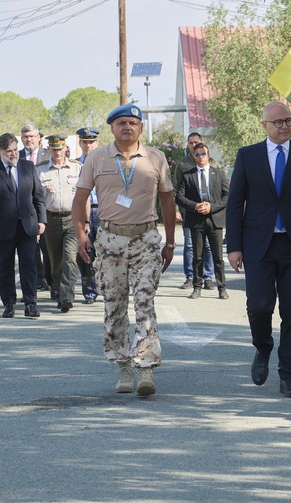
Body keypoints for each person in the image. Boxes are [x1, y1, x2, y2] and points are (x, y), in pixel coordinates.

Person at [72, 103, 177, 397]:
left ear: (140, 127)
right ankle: (122, 366)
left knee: (145, 303)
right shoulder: (96, 158)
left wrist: (169, 242)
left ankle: (145, 367)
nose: (127, 127)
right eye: (121, 123)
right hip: (109, 241)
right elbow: (79, 199)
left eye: (132, 123)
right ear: (112, 128)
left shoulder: (156, 157)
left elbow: (168, 202)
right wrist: (81, 234)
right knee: (114, 306)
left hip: (145, 239)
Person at [226, 102, 291, 398]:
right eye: (278, 122)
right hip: (258, 244)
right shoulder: (248, 156)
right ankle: (262, 346)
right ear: (265, 126)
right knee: (259, 306)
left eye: (288, 121)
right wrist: (234, 247)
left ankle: (288, 375)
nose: (284, 126)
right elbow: (235, 204)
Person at [0, 133, 46, 318]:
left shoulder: (27, 166)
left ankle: (31, 304)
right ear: (0, 152)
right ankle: (9, 303)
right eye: (8, 151)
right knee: (5, 266)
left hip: (28, 226)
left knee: (29, 265)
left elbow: (38, 196)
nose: (13, 154)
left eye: (14, 150)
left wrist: (42, 220)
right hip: (4, 228)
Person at [175, 142, 229, 299]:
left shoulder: (219, 174)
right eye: (197, 154)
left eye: (203, 154)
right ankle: (197, 287)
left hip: (214, 220)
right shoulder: (188, 175)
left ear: (208, 155)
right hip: (196, 220)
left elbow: (227, 196)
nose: (200, 157)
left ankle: (221, 287)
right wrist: (196, 206)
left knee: (217, 256)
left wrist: (211, 207)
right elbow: (179, 197)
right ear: (194, 156)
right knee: (197, 256)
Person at [36, 134, 82, 313]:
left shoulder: (77, 168)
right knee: (55, 262)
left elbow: (83, 195)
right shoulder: (40, 170)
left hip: (72, 219)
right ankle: (57, 288)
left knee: (70, 258)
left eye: (60, 148)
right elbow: (36, 198)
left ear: (65, 149)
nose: (57, 152)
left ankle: (66, 297)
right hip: (50, 220)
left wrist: (84, 221)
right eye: (53, 149)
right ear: (49, 150)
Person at [174, 132, 214, 290]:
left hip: (209, 212)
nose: (192, 145)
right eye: (190, 142)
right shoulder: (183, 164)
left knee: (208, 246)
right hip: (189, 211)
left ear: (202, 143)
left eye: (195, 142)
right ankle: (190, 277)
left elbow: (218, 187)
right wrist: (177, 209)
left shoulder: (212, 163)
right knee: (190, 245)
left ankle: (208, 277)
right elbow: (176, 189)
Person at [20, 123, 53, 293]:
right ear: (21, 138)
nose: (29, 139)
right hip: (25, 212)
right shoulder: (16, 157)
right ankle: (37, 281)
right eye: (25, 136)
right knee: (30, 252)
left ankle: (50, 281)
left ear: (38, 137)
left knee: (48, 251)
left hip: (46, 209)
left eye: (32, 136)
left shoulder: (48, 155)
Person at [76, 127, 101, 304]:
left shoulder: (106, 163)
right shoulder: (75, 165)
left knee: (107, 251)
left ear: (97, 143)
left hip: (103, 211)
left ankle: (108, 287)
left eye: (91, 142)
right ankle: (90, 291)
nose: (88, 145)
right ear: (80, 143)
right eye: (85, 142)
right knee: (86, 253)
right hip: (83, 212)